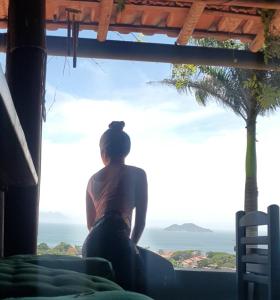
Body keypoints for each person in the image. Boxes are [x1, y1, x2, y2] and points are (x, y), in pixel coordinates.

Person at [82, 121, 148, 292]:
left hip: (91, 244)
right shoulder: (138, 174)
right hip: (119, 239)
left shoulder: (91, 180)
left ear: (103, 152)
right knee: (131, 294)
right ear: (127, 150)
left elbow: (91, 225)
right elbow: (140, 222)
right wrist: (131, 246)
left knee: (99, 294)